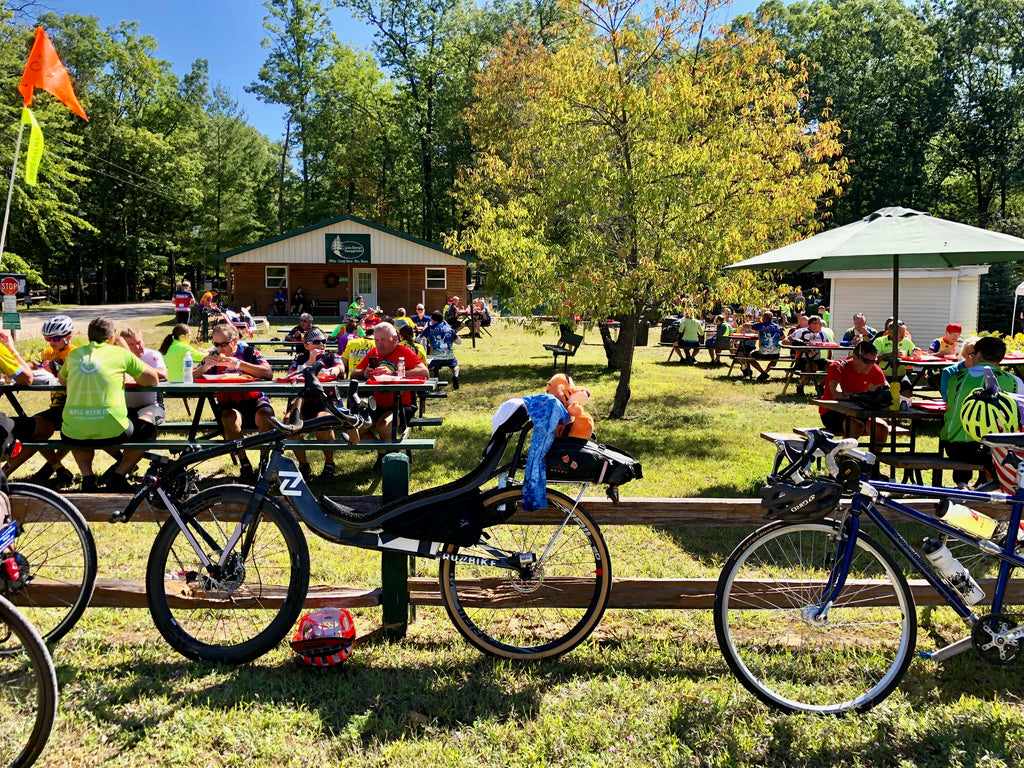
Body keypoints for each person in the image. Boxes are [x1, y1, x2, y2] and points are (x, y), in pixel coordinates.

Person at [59, 317, 160, 492]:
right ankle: (118, 475)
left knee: (80, 432)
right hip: (113, 429)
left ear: (88, 337)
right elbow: (152, 379)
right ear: (113, 337)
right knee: (148, 430)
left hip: (72, 430)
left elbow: (62, 379)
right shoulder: (120, 353)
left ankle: (88, 477)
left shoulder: (74, 354)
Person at [194, 323, 274, 481]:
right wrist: (203, 369)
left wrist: (239, 364)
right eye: (216, 344)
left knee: (267, 415)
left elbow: (268, 373)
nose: (220, 349)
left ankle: (264, 462)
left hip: (253, 399)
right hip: (229, 402)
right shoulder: (212, 356)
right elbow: (191, 376)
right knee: (229, 418)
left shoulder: (250, 352)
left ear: (234, 341)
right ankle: (245, 464)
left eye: (223, 344)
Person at [941, 336, 1023, 489]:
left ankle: (965, 483)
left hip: (953, 445)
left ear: (978, 354)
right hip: (990, 447)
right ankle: (994, 486)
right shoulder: (1013, 381)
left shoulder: (955, 378)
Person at [6, 317, 77, 486]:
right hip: (57, 406)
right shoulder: (48, 352)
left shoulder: (75, 353)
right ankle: (58, 468)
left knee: (39, 428)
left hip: (74, 404)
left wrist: (58, 371)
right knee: (37, 429)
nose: (51, 342)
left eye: (56, 338)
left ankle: (55, 468)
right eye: (47, 338)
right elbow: (34, 365)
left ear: (69, 336)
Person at [352, 323, 428, 466]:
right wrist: (364, 372)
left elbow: (424, 372)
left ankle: (392, 461)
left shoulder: (403, 352)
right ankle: (384, 452)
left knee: (384, 427)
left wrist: (394, 373)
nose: (380, 344)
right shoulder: (374, 353)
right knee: (355, 431)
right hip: (377, 404)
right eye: (377, 340)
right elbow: (353, 374)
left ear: (395, 338)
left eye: (384, 340)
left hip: (402, 404)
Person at [286, 327, 352, 478]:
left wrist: (332, 372)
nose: (321, 345)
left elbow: (340, 367)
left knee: (321, 420)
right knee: (288, 421)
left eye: (323, 341)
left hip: (326, 401)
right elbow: (290, 375)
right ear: (306, 345)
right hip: (303, 401)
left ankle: (329, 463)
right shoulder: (300, 358)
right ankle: (303, 465)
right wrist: (310, 362)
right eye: (316, 342)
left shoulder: (330, 356)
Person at [109, 327, 168, 491]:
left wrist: (134, 362)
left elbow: (163, 374)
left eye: (139, 342)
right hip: (124, 407)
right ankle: (124, 464)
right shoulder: (115, 357)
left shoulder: (152, 355)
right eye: (131, 345)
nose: (138, 348)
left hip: (150, 405)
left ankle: (118, 474)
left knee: (144, 429)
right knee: (99, 426)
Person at [818, 340, 890, 444]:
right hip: (832, 411)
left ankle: (872, 459)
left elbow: (886, 391)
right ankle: (842, 458)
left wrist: (881, 395)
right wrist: (864, 397)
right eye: (866, 361)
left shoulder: (874, 369)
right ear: (855, 357)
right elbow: (837, 394)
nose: (870, 365)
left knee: (881, 427)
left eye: (873, 361)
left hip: (858, 411)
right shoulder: (838, 366)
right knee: (856, 425)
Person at [785, 314, 829, 396]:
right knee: (812, 367)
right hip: (802, 359)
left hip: (816, 358)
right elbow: (785, 341)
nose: (821, 325)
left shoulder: (822, 333)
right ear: (812, 325)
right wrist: (797, 344)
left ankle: (820, 386)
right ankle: (800, 386)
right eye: (819, 324)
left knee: (834, 366)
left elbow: (828, 345)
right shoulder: (801, 331)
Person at [424, 310, 462, 390]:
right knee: (455, 365)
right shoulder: (449, 329)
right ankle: (455, 375)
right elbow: (459, 342)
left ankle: (429, 381)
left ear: (433, 320)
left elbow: (418, 339)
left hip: (434, 357)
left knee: (425, 362)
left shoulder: (429, 329)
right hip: (449, 357)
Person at [740, 311, 783, 381]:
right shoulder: (777, 327)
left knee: (750, 356)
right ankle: (766, 372)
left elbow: (745, 326)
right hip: (775, 352)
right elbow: (783, 337)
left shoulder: (760, 325)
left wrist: (752, 324)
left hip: (763, 352)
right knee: (774, 360)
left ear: (763, 318)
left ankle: (763, 372)